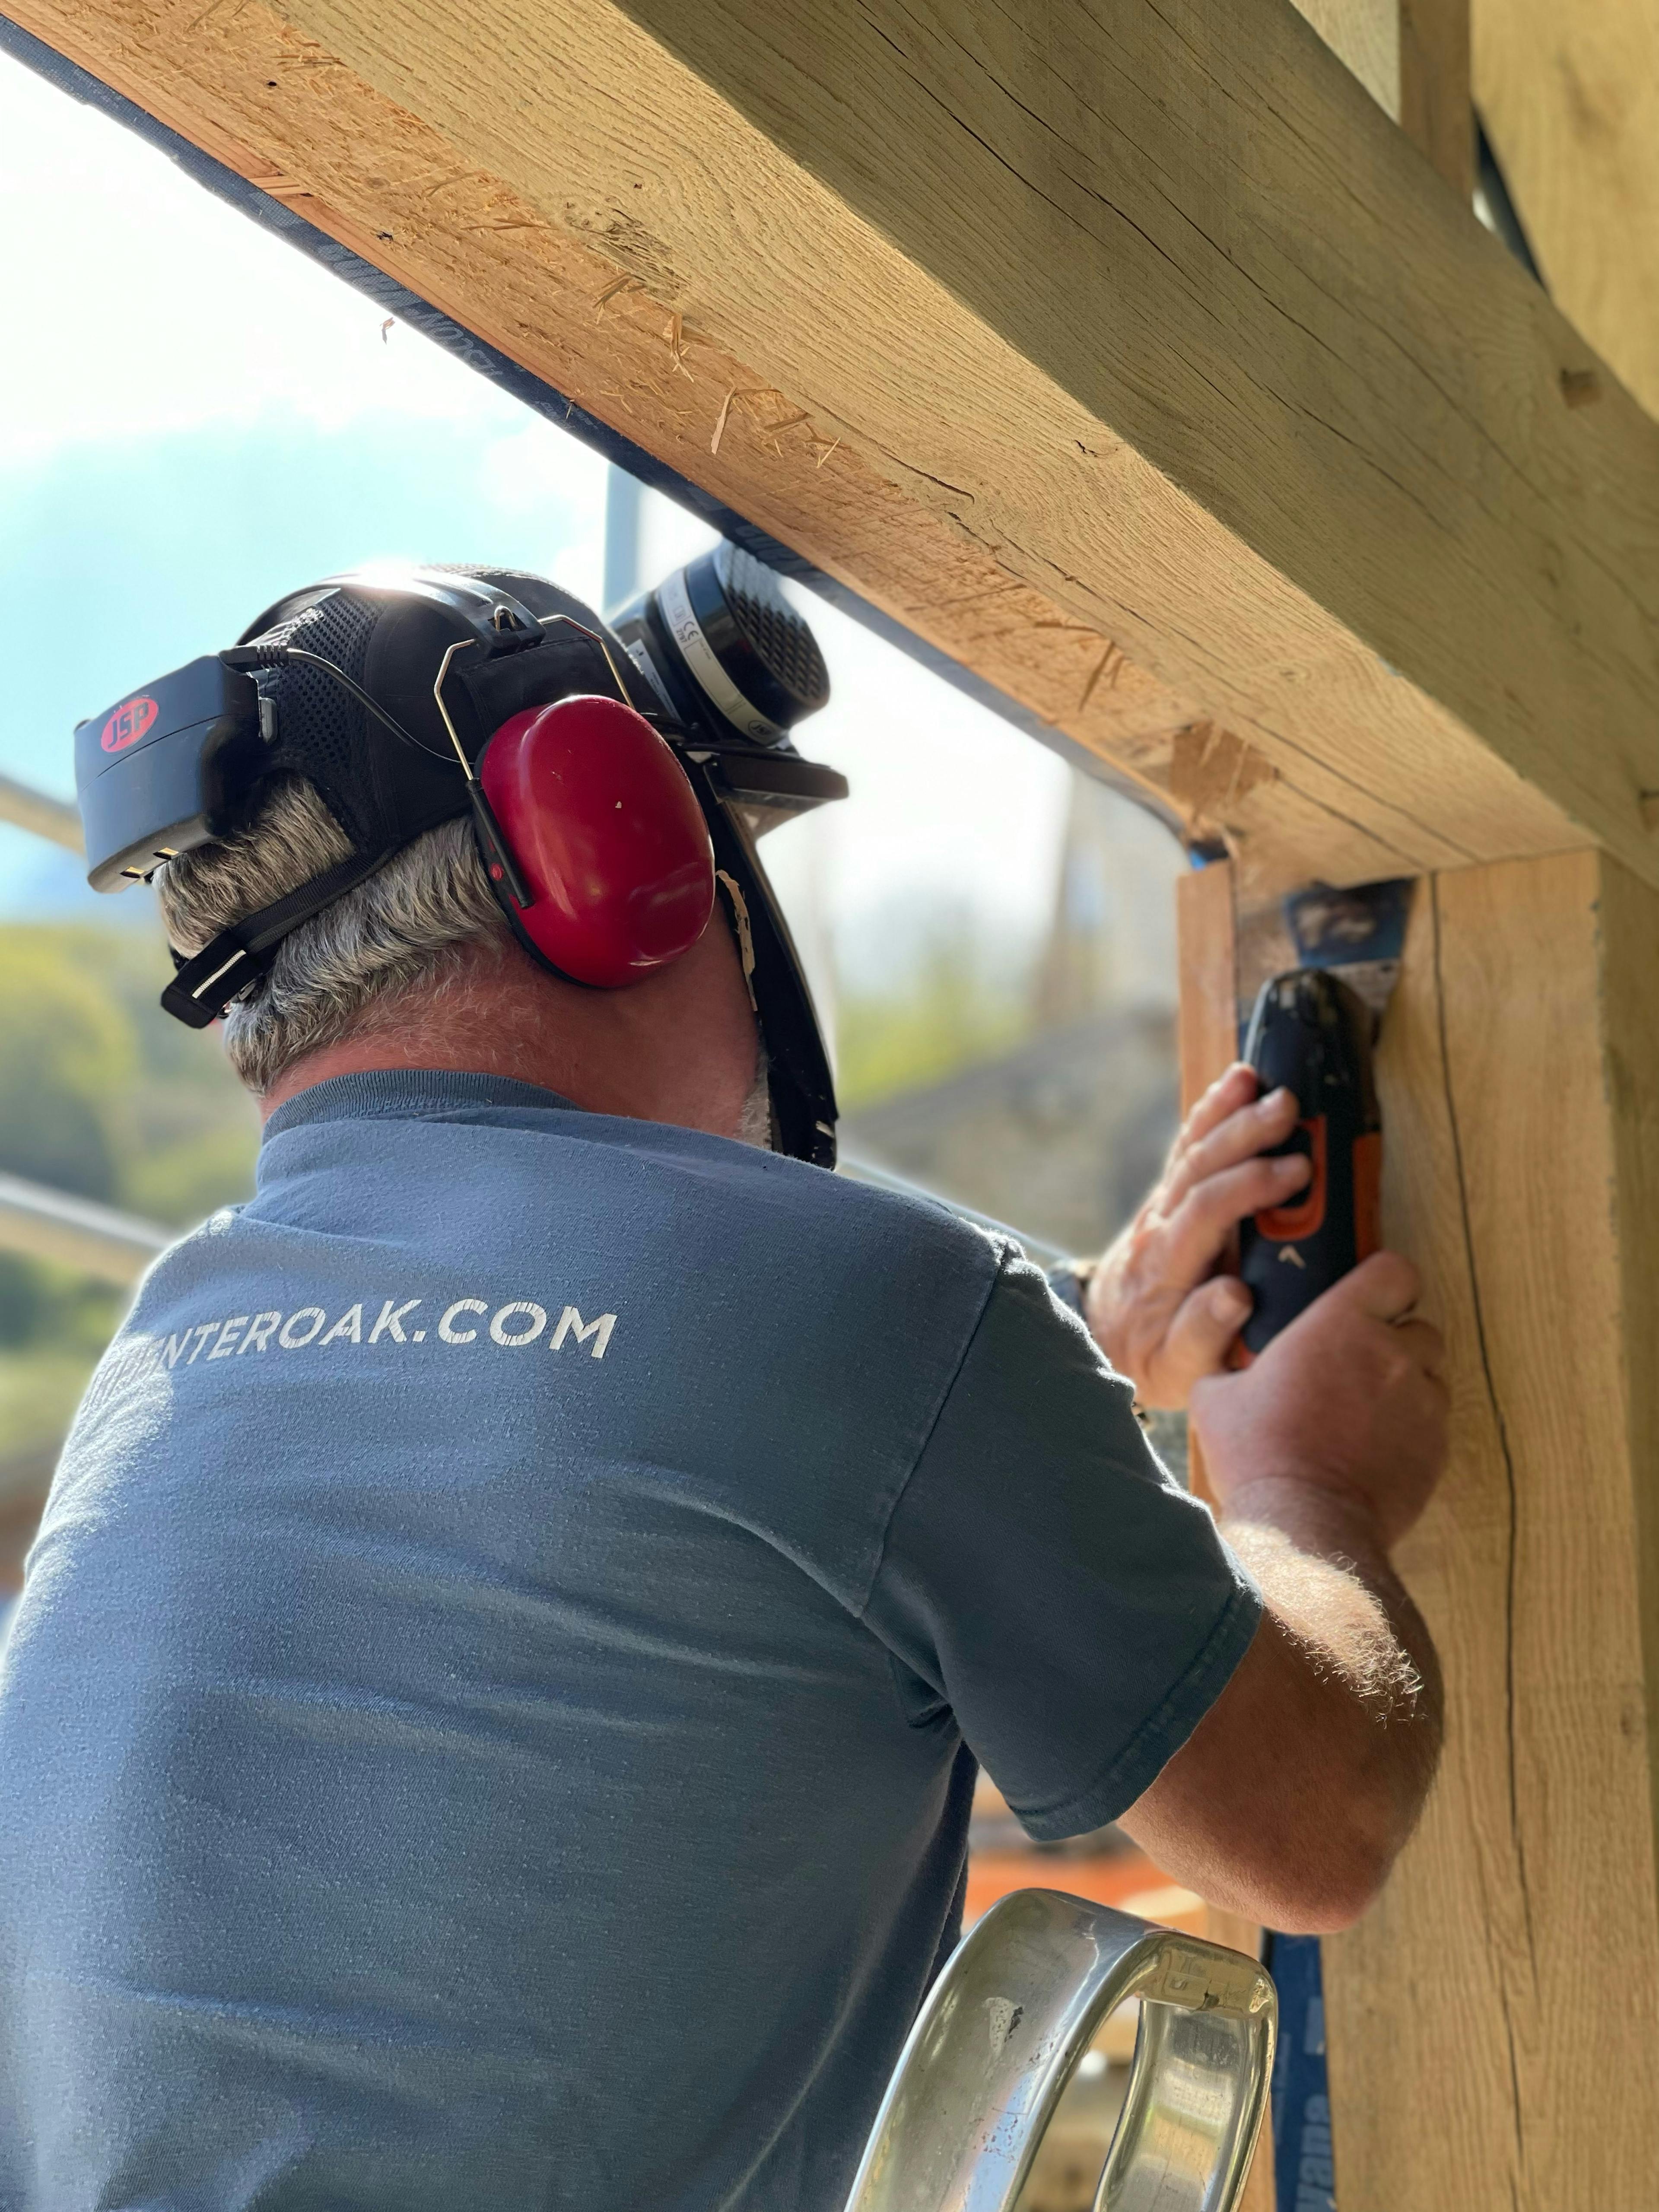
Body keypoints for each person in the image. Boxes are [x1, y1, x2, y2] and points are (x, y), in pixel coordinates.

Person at [0, 560, 1446, 2209]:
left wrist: (1086, 1367)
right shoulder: (878, 1309)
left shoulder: (169, 1338)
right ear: (616, 849)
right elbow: (1319, 1820)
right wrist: (1305, 1487)